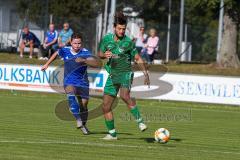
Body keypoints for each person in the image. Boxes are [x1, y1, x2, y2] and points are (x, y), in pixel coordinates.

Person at [98, 12, 150, 140]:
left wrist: (145, 74)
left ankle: (140, 121)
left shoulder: (128, 42)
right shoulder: (106, 39)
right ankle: (112, 134)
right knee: (105, 106)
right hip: (113, 74)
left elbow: (137, 58)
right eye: (119, 28)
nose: (122, 31)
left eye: (124, 29)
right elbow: (100, 53)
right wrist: (105, 55)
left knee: (124, 95)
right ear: (114, 28)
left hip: (126, 72)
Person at [41, 33, 101, 135]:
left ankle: (84, 125)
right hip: (69, 81)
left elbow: (96, 64)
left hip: (83, 82)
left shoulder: (85, 52)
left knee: (84, 105)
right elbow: (56, 53)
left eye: (79, 43)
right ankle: (78, 119)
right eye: (75, 43)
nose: (77, 45)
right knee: (71, 96)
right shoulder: (65, 50)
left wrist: (84, 60)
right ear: (71, 42)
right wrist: (47, 64)